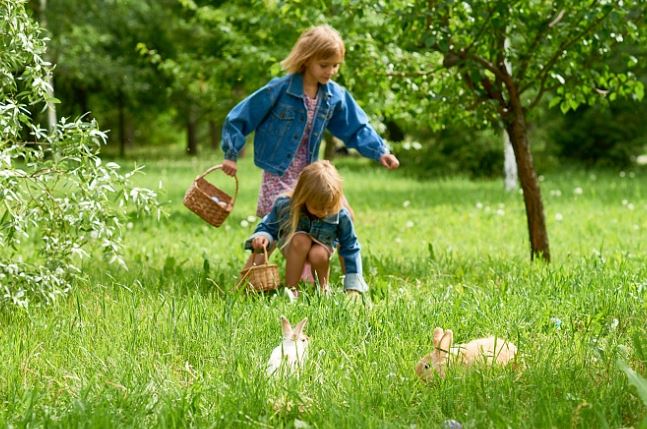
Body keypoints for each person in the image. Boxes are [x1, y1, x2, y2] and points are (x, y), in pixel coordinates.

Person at [220, 24, 399, 281]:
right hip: (278, 171)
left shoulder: (333, 96)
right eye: (324, 65)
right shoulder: (279, 90)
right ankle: (250, 279)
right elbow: (240, 116)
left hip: (308, 173)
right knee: (275, 225)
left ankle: (347, 279)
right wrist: (231, 153)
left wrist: (380, 150)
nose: (331, 71)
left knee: (335, 215)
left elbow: (355, 125)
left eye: (335, 65)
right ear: (307, 59)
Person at [244, 161, 367, 299]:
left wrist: (353, 285)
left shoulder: (341, 215)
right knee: (301, 239)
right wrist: (263, 237)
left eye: (328, 207)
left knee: (318, 253)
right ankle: (291, 290)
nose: (324, 212)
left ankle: (322, 290)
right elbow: (269, 225)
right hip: (294, 247)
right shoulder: (286, 206)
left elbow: (350, 247)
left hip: (322, 249)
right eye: (318, 207)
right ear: (304, 197)